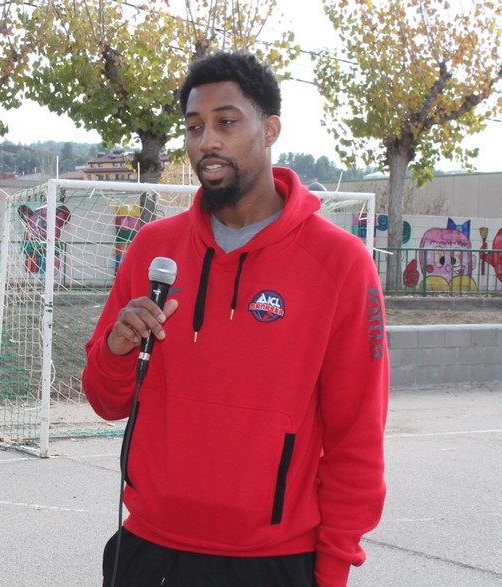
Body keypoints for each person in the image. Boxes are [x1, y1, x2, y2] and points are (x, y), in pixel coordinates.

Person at [82, 51, 388, 586]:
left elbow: (356, 437)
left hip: (272, 560)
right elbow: (105, 402)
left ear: (269, 129)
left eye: (226, 122)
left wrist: (334, 567)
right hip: (149, 549)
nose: (208, 142)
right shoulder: (154, 249)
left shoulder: (340, 262)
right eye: (195, 127)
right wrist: (116, 349)